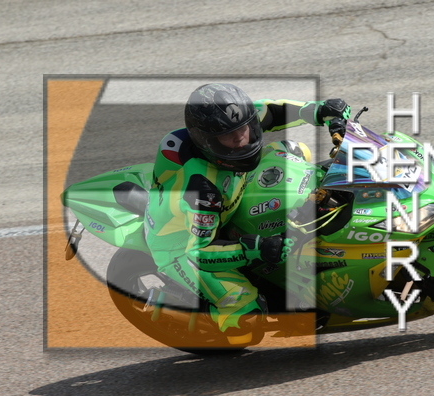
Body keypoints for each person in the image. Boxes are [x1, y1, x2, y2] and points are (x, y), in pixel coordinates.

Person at [144, 83, 350, 342]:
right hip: (182, 243)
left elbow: (272, 112)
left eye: (245, 129)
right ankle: (174, 305)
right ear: (207, 141)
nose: (241, 139)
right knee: (246, 321)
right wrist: (254, 249)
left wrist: (321, 111)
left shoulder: (233, 121)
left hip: (233, 190)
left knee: (295, 150)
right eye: (229, 137)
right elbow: (200, 253)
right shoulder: (201, 190)